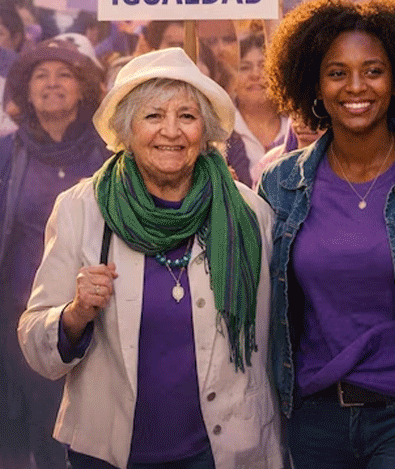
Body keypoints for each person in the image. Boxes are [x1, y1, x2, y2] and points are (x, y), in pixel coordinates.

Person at [17, 48, 283, 469]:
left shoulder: (247, 213)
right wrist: (75, 314)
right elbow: (35, 342)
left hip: (222, 452)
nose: (171, 131)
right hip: (110, 453)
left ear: (205, 130)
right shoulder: (81, 208)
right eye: (153, 116)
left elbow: (279, 336)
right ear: (126, 128)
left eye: (187, 116)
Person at [258, 0, 395, 469]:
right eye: (337, 73)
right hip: (313, 419)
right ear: (314, 85)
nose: (356, 86)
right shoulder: (281, 183)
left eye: (373, 71)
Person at [0, 37, 110, 469]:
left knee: (99, 430)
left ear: (83, 89)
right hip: (24, 317)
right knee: (43, 430)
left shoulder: (109, 153)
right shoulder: (7, 154)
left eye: (64, 74)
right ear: (25, 93)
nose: (52, 83)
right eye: (40, 76)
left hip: (101, 314)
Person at [231, 33, 288, 187]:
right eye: (244, 67)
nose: (255, 75)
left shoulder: (297, 125)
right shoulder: (222, 130)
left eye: (263, 66)